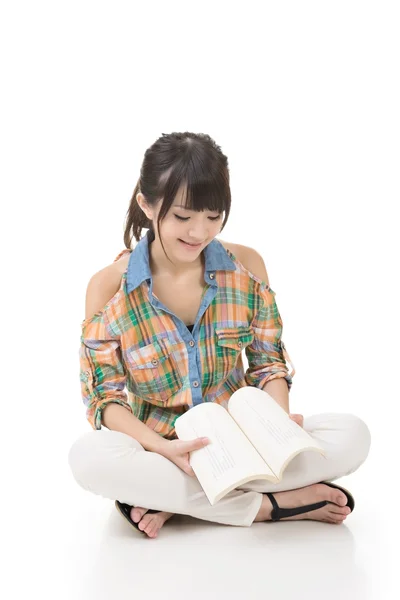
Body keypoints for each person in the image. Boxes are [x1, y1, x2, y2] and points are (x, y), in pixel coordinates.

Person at [68, 131, 371, 539]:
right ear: (146, 203)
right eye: (183, 216)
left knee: (352, 435)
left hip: (244, 442)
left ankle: (175, 503)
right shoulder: (108, 289)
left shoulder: (245, 267)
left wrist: (278, 424)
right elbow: (103, 399)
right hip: (163, 451)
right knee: (89, 458)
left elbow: (268, 363)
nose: (199, 232)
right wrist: (163, 450)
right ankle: (270, 505)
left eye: (213, 216)